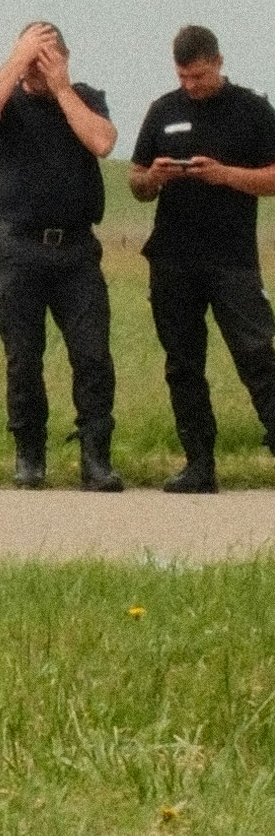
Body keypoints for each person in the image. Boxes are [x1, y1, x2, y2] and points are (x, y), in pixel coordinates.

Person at [0, 19, 119, 491]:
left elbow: (102, 142)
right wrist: (18, 59)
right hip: (19, 247)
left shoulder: (85, 97)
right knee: (23, 357)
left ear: (64, 59)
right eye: (30, 60)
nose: (36, 69)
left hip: (75, 250)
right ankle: (29, 455)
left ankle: (96, 458)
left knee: (92, 355)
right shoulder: (8, 102)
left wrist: (61, 87)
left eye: (44, 59)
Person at [127, 26, 275, 492]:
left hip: (232, 259)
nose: (191, 85)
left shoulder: (253, 110)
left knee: (257, 355)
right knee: (183, 364)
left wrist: (225, 175)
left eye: (199, 76)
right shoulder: (163, 110)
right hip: (172, 258)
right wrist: (155, 177)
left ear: (219, 62)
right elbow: (136, 183)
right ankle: (198, 465)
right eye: (183, 77)